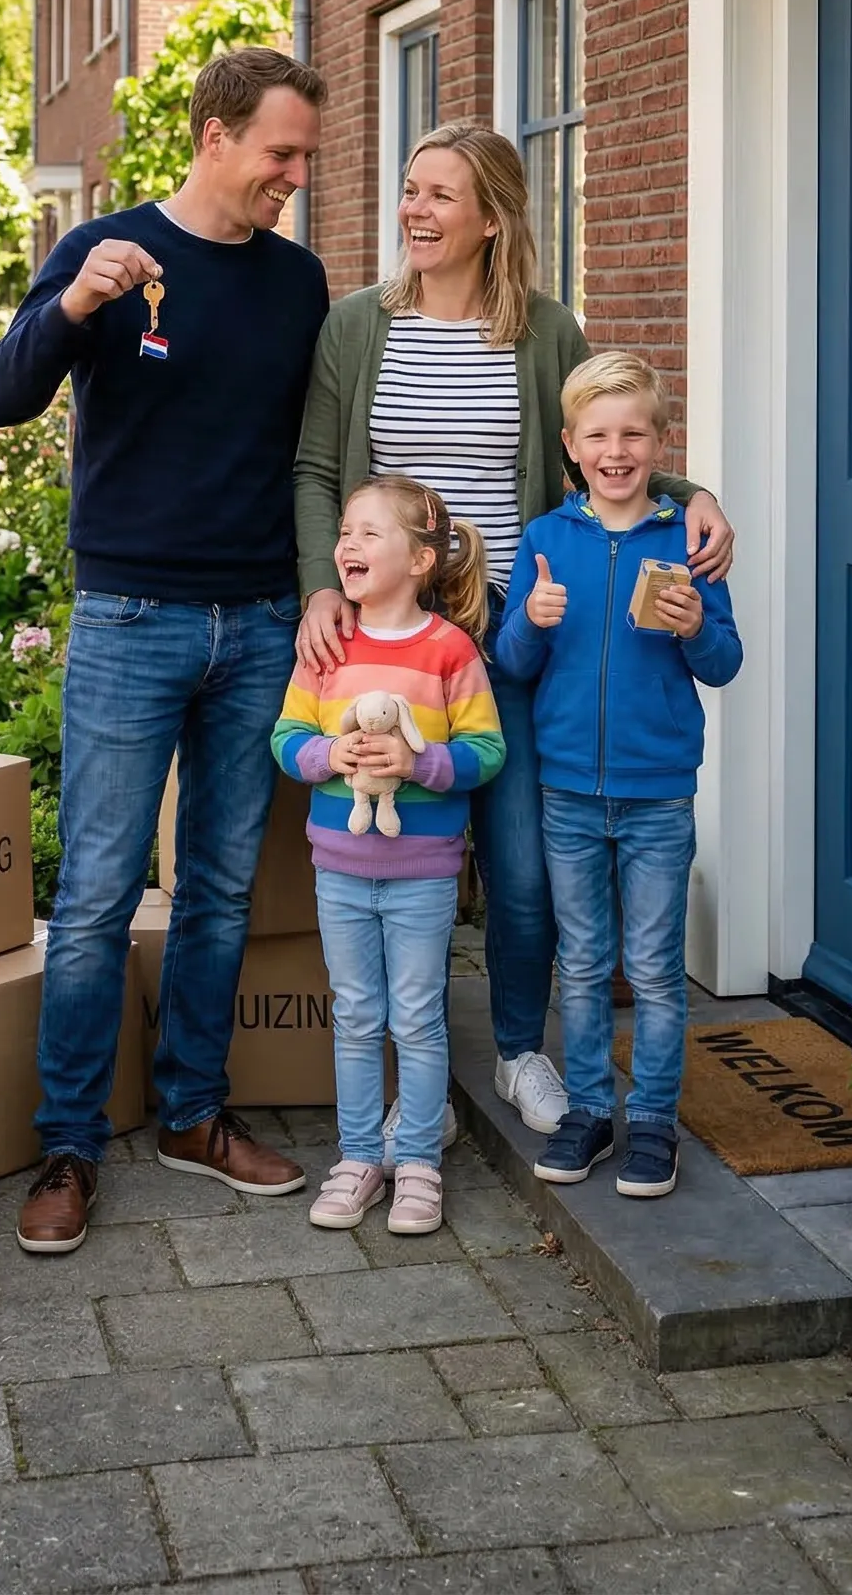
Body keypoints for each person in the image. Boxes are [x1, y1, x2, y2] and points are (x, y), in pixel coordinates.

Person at [293, 122, 734, 1150]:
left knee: (524, 863)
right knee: (386, 851)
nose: (416, 211)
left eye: (440, 195)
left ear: (491, 218)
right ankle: (408, 1083)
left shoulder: (543, 330)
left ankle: (518, 1050)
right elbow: (318, 471)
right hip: (397, 637)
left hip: (514, 634)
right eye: (410, 190)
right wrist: (324, 587)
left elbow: (599, 446)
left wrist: (688, 490)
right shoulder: (358, 327)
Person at [0, 47, 329, 1255]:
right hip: (130, 620)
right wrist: (72, 306)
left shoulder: (297, 283)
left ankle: (190, 1112)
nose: (293, 174)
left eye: (303, 157)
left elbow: (315, 456)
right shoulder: (108, 254)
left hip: (260, 624)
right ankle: (67, 1144)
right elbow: (0, 396)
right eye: (281, 152)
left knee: (222, 888)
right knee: (94, 896)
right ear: (214, 136)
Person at [497, 352, 742, 1199]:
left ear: (659, 441)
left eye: (633, 432)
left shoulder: (690, 544)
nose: (616, 449)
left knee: (655, 965)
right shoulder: (546, 540)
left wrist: (694, 626)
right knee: (585, 959)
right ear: (570, 445)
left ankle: (653, 1123)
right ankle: (591, 1109)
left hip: (658, 793)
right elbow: (513, 662)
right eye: (598, 434)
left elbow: (725, 663)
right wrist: (528, 620)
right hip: (566, 791)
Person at [272, 476, 503, 1235]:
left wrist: (420, 764)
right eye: (345, 531)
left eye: (369, 533)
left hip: (424, 871)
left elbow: (487, 750)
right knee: (358, 1015)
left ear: (421, 559)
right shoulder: (327, 646)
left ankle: (418, 1165)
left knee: (418, 1019)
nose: (348, 545)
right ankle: (359, 1158)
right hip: (338, 867)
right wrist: (329, 752)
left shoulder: (450, 649)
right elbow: (286, 738)